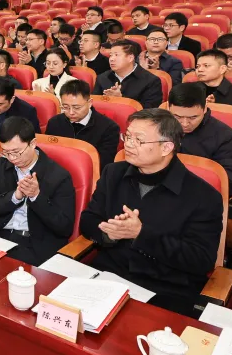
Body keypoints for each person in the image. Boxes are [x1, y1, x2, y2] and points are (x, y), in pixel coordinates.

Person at [79, 109, 224, 316]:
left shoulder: (203, 196)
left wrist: (141, 234)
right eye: (127, 137)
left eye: (138, 140)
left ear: (166, 147)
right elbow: (88, 220)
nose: (128, 144)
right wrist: (109, 234)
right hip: (110, 276)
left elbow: (200, 260)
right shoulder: (113, 173)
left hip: (165, 290)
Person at [0, 116, 76, 265]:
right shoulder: (0, 165)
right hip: (0, 237)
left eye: (16, 152)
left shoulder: (58, 176)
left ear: (32, 144)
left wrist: (36, 197)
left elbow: (64, 227)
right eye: (5, 152)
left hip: (34, 245)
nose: (12, 158)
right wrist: (15, 196)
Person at [167, 83, 232, 189]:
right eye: (177, 117)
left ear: (204, 109)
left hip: (200, 193)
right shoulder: (156, 129)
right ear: (168, 108)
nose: (185, 124)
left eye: (193, 117)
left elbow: (228, 183)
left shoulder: (225, 136)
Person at [44, 80, 120, 172]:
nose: (71, 112)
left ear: (90, 103)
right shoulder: (54, 122)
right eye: (65, 107)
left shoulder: (109, 128)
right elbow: (47, 156)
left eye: (76, 108)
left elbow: (103, 165)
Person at [192, 49, 232, 127]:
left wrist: (217, 107)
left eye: (206, 66)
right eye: (197, 66)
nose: (200, 70)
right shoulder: (188, 90)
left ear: (222, 69)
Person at [93, 40, 162, 109]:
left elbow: (149, 111)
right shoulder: (102, 78)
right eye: (111, 55)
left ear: (130, 58)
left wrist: (121, 99)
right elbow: (93, 105)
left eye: (116, 55)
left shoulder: (151, 81)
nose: (111, 59)